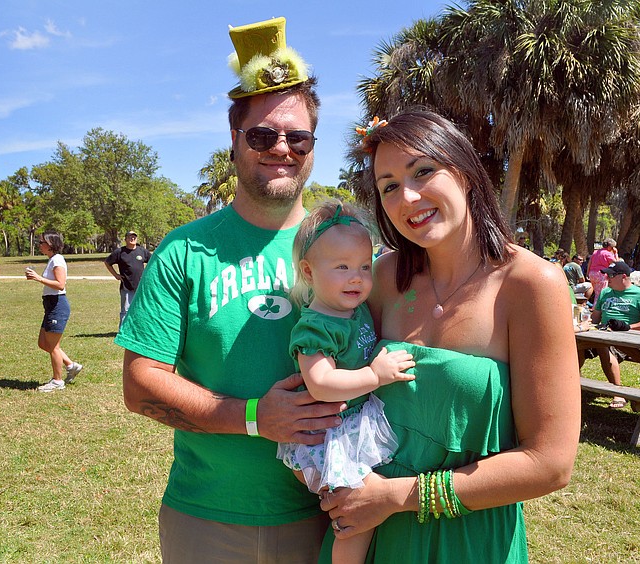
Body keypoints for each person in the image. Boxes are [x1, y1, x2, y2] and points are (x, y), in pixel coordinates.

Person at [115, 17, 344, 563]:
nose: (280, 148)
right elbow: (141, 385)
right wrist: (253, 418)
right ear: (235, 142)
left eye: (297, 136)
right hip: (206, 518)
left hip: (327, 516)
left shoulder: (343, 246)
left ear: (313, 145)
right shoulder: (185, 250)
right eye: (262, 135)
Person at [317, 110, 580, 562]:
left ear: (464, 172)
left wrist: (398, 496)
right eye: (389, 187)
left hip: (469, 540)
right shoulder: (379, 279)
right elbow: (333, 365)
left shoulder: (533, 284)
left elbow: (550, 464)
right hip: (369, 538)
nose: (409, 197)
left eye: (423, 171)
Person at [277, 201, 415, 564]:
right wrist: (374, 376)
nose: (357, 277)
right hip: (329, 438)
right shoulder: (315, 327)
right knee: (356, 515)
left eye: (364, 267)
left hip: (351, 427)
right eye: (342, 267)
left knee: (361, 510)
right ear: (308, 271)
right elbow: (321, 382)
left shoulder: (356, 310)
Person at [580, 261, 640, 409]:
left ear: (623, 277)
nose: (607, 278)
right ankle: (572, 385)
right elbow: (595, 318)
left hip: (625, 339)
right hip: (602, 333)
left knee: (603, 347)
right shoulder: (605, 292)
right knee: (576, 347)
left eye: (611, 275)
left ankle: (618, 393)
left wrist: (628, 327)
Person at [25, 232, 83, 392]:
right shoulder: (52, 260)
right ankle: (71, 366)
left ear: (50, 244)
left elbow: (60, 284)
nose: (39, 244)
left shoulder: (57, 259)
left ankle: (57, 381)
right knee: (44, 343)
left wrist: (38, 278)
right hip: (50, 305)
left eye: (42, 242)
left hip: (58, 305)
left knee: (53, 346)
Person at [104, 231, 151, 329]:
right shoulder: (120, 252)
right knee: (125, 310)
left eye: (134, 237)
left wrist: (147, 274)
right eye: (130, 237)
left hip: (141, 287)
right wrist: (116, 275)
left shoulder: (142, 251)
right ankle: (123, 331)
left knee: (141, 309)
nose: (132, 238)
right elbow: (107, 262)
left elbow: (152, 261)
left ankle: (138, 330)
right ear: (125, 239)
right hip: (127, 286)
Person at [587, 238, 618, 303]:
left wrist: (587, 273)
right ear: (609, 247)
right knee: (601, 294)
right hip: (601, 274)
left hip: (592, 274)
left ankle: (595, 308)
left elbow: (590, 262)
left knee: (597, 293)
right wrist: (615, 254)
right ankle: (597, 309)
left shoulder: (595, 252)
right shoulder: (607, 254)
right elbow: (617, 264)